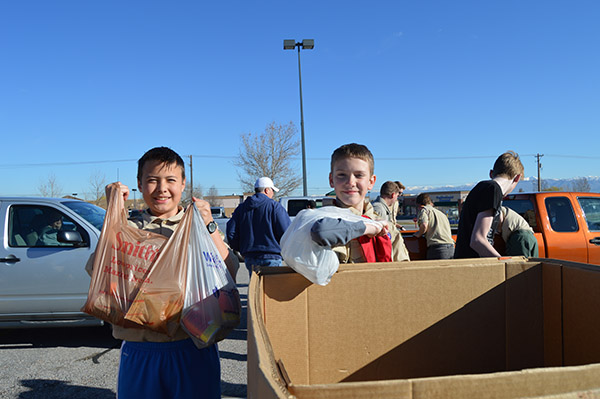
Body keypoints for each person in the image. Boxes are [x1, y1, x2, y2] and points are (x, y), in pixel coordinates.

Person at [87, 146, 239, 399]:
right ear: (139, 184)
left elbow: (229, 274)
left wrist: (210, 227)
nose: (161, 189)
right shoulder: (128, 228)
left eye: (170, 180)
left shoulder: (198, 228)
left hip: (192, 346)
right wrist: (114, 214)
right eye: (152, 180)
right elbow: (99, 272)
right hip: (140, 349)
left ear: (183, 183)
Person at [310, 143, 391, 263]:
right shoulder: (318, 222)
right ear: (331, 180)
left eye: (359, 175)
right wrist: (367, 227)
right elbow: (320, 232)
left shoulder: (387, 229)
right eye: (342, 175)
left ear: (371, 181)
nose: (350, 182)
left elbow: (404, 269)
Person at [454, 151, 524, 259]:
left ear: (491, 173)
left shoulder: (484, 188)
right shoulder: (493, 190)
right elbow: (478, 240)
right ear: (517, 178)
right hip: (474, 265)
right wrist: (504, 263)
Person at [226, 176, 291, 275]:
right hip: (272, 256)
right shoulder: (275, 207)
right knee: (271, 289)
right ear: (266, 190)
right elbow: (286, 232)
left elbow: (231, 232)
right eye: (272, 190)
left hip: (250, 256)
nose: (273, 194)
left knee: (255, 289)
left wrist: (241, 249)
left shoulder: (241, 208)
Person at [371, 181, 410, 261]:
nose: (397, 198)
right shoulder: (379, 209)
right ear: (393, 195)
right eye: (397, 195)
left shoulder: (382, 208)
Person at [414, 193, 455, 259]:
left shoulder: (424, 210)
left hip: (437, 248)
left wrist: (418, 234)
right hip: (451, 248)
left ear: (419, 205)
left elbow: (424, 225)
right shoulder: (442, 214)